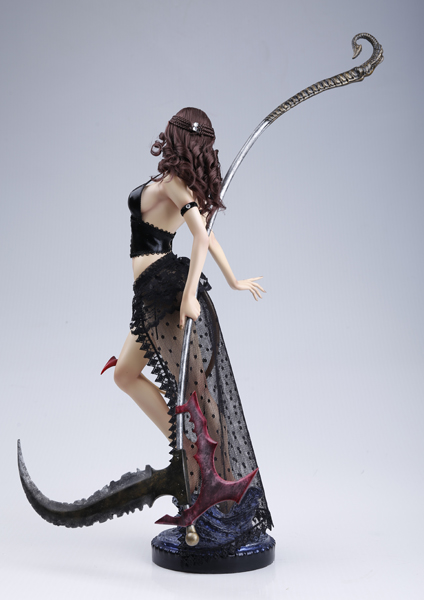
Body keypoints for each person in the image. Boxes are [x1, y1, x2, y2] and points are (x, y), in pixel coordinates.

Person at [112, 107, 273, 549]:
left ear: (176, 137)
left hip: (165, 289)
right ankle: (191, 451)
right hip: (152, 290)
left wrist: (189, 295)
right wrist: (232, 279)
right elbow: (208, 234)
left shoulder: (174, 185)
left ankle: (220, 484)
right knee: (126, 374)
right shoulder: (173, 182)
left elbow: (201, 236)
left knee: (197, 392)